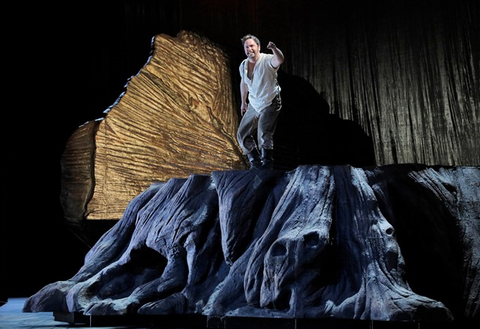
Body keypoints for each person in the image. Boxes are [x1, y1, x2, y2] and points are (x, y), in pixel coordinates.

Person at [237, 34, 284, 169]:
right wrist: (243, 102)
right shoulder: (243, 65)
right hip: (254, 103)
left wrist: (274, 49)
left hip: (270, 102)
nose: (249, 49)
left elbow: (279, 60)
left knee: (263, 132)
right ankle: (255, 162)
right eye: (246, 47)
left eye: (251, 46)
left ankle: (267, 163)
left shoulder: (267, 60)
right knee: (242, 133)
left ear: (258, 47)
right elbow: (243, 83)